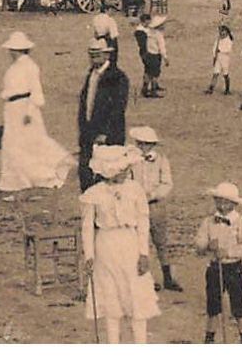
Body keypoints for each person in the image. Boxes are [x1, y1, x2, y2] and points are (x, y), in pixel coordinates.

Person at [79, 145, 160, 344]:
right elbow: (87, 227)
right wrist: (89, 255)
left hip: (130, 243)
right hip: (106, 246)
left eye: (126, 169)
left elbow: (143, 221)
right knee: (110, 298)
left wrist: (143, 253)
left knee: (136, 295)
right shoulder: (93, 194)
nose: (125, 173)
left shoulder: (135, 189)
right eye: (120, 169)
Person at [0, 31, 71, 192]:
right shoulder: (14, 67)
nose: (10, 52)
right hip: (13, 109)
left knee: (31, 143)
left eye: (13, 49)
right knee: (14, 145)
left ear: (19, 50)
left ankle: (52, 169)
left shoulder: (30, 66)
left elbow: (35, 91)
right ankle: (17, 179)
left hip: (25, 109)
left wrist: (29, 112)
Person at [194, 181, 242, 343]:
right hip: (214, 268)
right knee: (213, 305)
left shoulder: (240, 222)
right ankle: (209, 337)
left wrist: (228, 252)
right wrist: (207, 246)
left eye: (225, 202)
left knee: (238, 304)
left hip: (234, 268)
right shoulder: (208, 222)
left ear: (234, 204)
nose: (221, 204)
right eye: (218, 200)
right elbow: (198, 244)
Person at [128, 126, 181, 292]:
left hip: (155, 205)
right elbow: (128, 181)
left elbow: (167, 183)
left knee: (161, 241)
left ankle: (167, 277)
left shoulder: (161, 160)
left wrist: (153, 195)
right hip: (136, 206)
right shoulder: (130, 160)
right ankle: (146, 278)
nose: (144, 147)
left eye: (148, 144)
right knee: (140, 242)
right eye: (141, 144)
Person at [77, 38, 131, 190]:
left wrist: (105, 133)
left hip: (108, 136)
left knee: (106, 176)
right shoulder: (91, 75)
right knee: (86, 173)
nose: (94, 58)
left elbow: (118, 109)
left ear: (107, 55)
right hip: (89, 133)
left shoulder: (117, 77)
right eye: (91, 55)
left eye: (98, 54)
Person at [143, 15, 169, 98]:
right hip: (155, 55)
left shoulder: (149, 32)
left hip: (148, 54)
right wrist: (165, 57)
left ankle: (145, 88)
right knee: (155, 74)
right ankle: (153, 90)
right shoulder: (159, 35)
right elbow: (162, 47)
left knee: (147, 72)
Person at [207, 23, 234, 95]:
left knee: (225, 74)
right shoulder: (218, 40)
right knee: (215, 73)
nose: (222, 33)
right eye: (220, 31)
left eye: (223, 31)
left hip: (225, 58)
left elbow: (228, 49)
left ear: (227, 32)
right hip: (218, 57)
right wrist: (214, 56)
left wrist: (221, 50)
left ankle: (227, 89)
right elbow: (214, 49)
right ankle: (211, 88)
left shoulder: (229, 40)